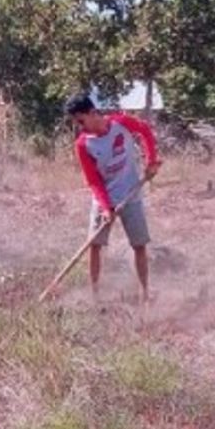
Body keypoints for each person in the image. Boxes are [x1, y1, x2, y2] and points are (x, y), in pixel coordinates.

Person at [65, 93, 161, 302]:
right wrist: (106, 207)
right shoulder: (83, 145)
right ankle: (95, 295)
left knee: (139, 245)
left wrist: (151, 160)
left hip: (131, 194)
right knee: (95, 245)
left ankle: (144, 293)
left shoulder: (120, 123)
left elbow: (144, 130)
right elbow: (93, 180)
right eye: (76, 123)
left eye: (81, 121)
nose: (80, 126)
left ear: (92, 113)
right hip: (103, 199)